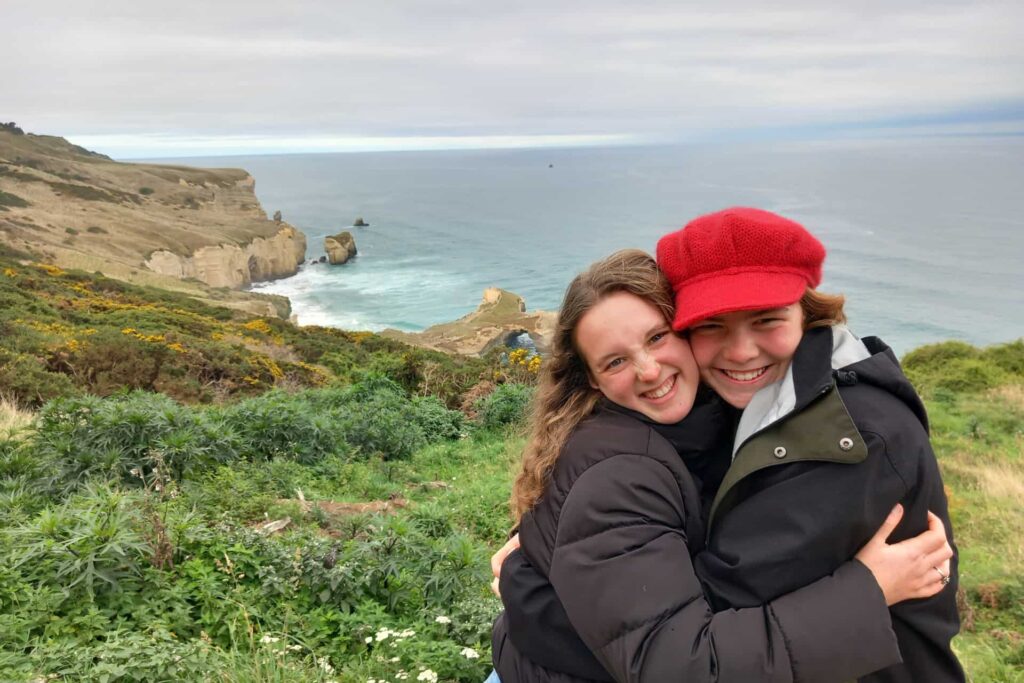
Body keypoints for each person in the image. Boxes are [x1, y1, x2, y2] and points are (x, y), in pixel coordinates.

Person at [490, 247, 955, 683]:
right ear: (591, 380)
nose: (649, 370)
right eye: (615, 361)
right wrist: (867, 592)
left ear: (690, 328)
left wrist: (533, 580)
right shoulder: (619, 471)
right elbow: (677, 660)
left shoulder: (718, 416)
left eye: (658, 337)